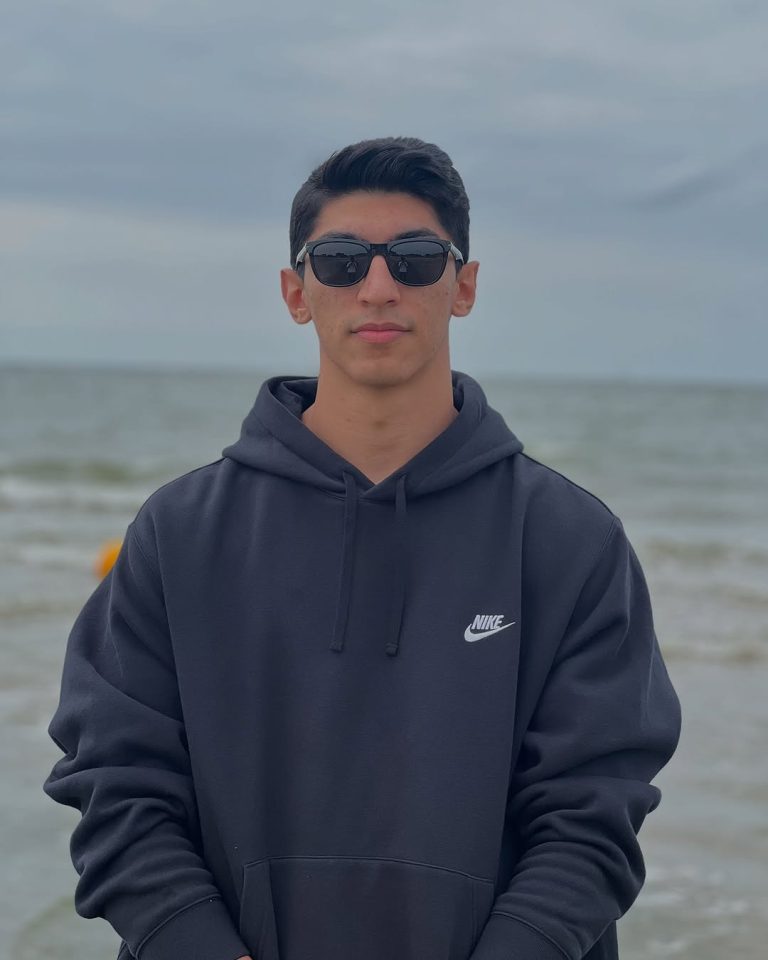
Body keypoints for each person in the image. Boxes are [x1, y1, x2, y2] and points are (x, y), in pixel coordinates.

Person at [43, 136, 682, 960]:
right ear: (296, 291)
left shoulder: (571, 540)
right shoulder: (179, 533)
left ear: (464, 286)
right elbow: (116, 786)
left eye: (415, 259)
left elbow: (593, 815)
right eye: (341, 261)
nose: (378, 286)